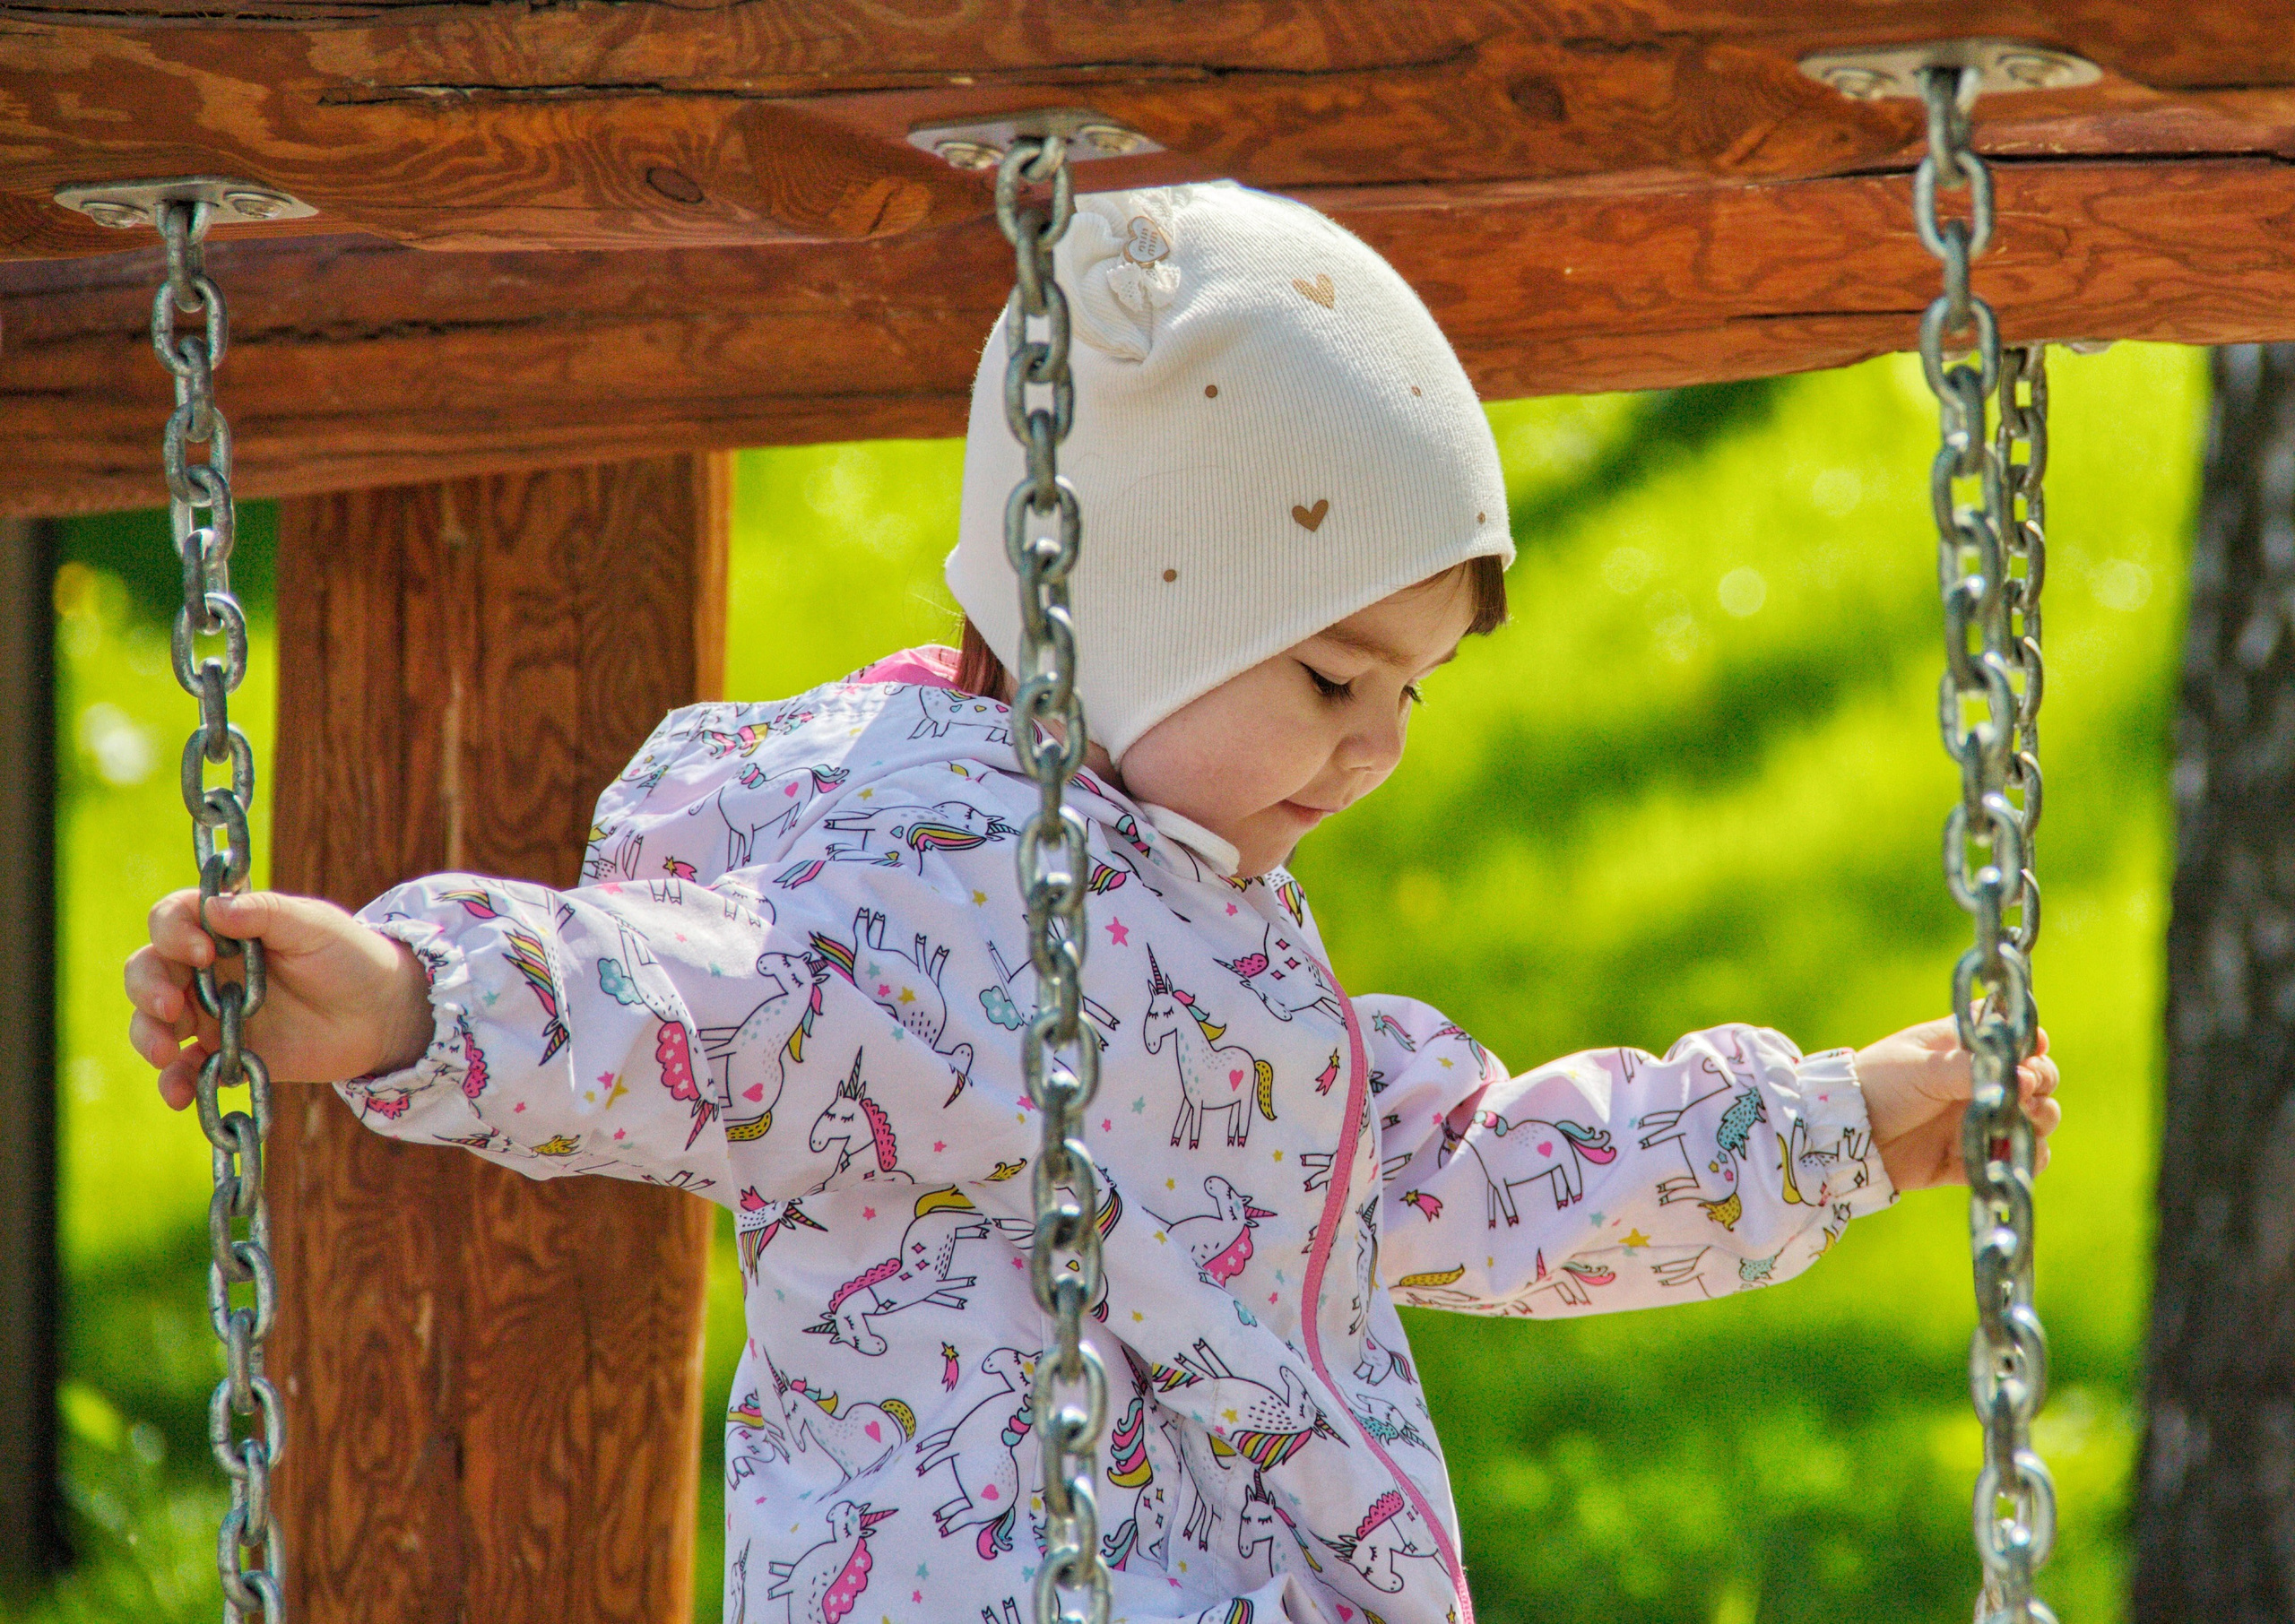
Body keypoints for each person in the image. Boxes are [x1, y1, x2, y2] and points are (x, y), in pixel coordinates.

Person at [124, 182, 2059, 1624]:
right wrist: (404, 996)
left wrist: (1820, 1133)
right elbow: (686, 1016)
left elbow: (1449, 1176)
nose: (1375, 748)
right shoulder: (923, 899)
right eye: (1327, 679)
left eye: (1407, 693)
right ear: (1122, 602)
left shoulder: (1195, 932)